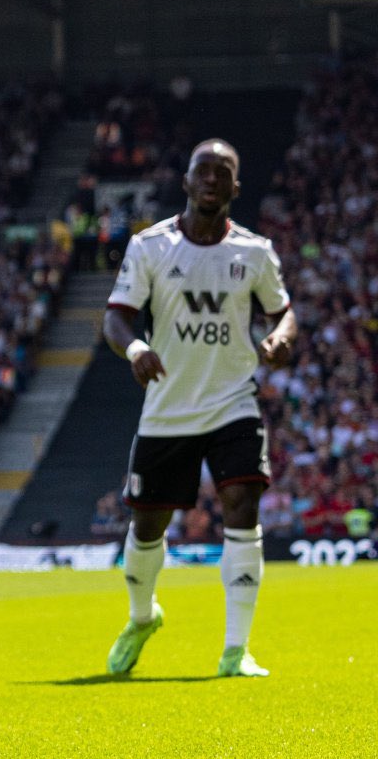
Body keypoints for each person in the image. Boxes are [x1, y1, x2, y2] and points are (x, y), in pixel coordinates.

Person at [102, 138, 294, 679]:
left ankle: (236, 650)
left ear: (236, 187)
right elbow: (115, 319)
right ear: (186, 182)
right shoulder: (151, 248)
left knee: (242, 508)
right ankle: (142, 617)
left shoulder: (255, 252)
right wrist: (137, 348)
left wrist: (279, 337)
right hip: (169, 409)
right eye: (202, 171)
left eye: (222, 172)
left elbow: (285, 313)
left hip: (233, 400)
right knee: (147, 526)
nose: (211, 179)